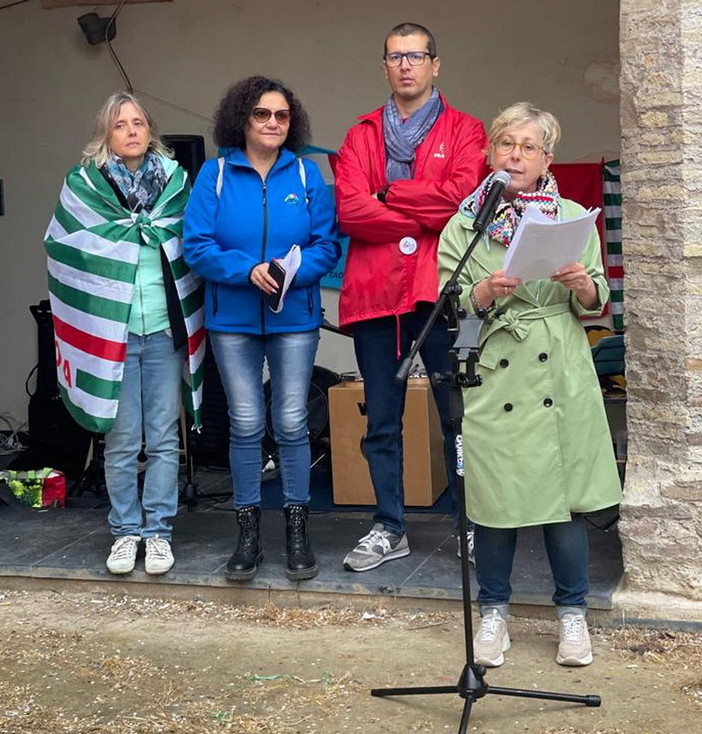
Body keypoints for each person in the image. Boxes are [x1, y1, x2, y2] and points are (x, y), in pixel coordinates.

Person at [438, 101, 622, 667]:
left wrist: (580, 284)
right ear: (490, 152)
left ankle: (573, 615)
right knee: (495, 502)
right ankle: (494, 615)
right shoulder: (465, 223)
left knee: (565, 504)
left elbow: (596, 301)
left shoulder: (570, 215)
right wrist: (483, 294)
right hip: (496, 372)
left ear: (547, 158)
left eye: (528, 146)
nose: (515, 155)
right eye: (505, 144)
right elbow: (451, 304)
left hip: (560, 371)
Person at [334, 22, 488, 572]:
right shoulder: (360, 135)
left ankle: (472, 524)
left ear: (435, 64)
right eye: (395, 57)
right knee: (381, 419)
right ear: (384, 66)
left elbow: (461, 201)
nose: (406, 65)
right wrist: (413, 210)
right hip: (376, 293)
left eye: (416, 56)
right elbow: (349, 210)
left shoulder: (467, 130)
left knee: (459, 416)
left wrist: (387, 193)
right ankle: (389, 526)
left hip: (440, 288)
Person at [183, 76, 340, 582]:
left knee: (292, 421)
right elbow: (197, 246)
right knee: (247, 423)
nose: (273, 123)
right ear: (242, 120)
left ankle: (297, 529)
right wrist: (245, 269)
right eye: (261, 114)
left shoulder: (308, 175)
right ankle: (247, 534)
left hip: (294, 315)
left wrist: (293, 272)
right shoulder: (215, 175)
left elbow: (327, 245)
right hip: (232, 318)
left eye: (281, 116)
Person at [44, 91, 205, 576]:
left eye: (138, 122)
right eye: (120, 125)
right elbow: (62, 247)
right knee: (119, 440)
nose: (131, 131)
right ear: (106, 135)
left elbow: (194, 242)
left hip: (161, 326)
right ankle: (124, 532)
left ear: (150, 130)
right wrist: (123, 238)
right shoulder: (83, 185)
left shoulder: (178, 184)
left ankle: (157, 533)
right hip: (108, 334)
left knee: (160, 438)